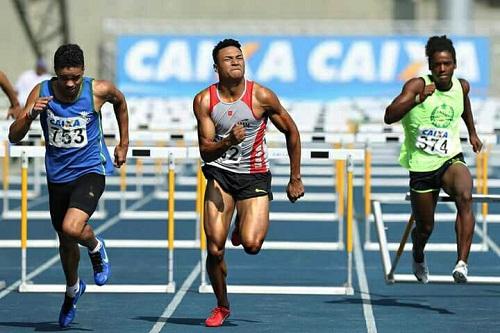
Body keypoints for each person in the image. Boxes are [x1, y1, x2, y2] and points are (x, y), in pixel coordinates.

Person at [8, 44, 129, 327]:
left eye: (75, 77)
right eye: (64, 78)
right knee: (65, 240)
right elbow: (14, 136)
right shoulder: (41, 92)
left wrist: (123, 142)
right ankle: (73, 289)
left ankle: (97, 247)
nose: (71, 83)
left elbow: (120, 102)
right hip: (57, 177)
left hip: (90, 170)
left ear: (83, 72)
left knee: (72, 228)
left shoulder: (98, 90)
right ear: (56, 74)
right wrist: (30, 115)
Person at [193, 38, 305, 327]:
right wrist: (229, 140)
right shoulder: (205, 101)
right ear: (216, 67)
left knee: (252, 245)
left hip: (254, 175)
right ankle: (222, 305)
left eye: (239, 57)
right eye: (228, 59)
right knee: (215, 248)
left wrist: (295, 177)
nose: (236, 62)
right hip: (220, 174)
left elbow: (292, 132)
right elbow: (205, 151)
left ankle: (242, 229)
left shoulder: (261, 96)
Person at [384, 35, 482, 284]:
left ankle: (462, 263)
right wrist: (417, 99)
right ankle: (418, 253)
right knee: (425, 227)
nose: (442, 69)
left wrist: (472, 132)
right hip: (421, 166)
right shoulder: (417, 85)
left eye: (447, 64)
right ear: (430, 66)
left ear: (454, 64)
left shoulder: (462, 86)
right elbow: (389, 115)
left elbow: (464, 104)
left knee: (465, 193)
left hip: (450, 158)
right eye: (437, 64)